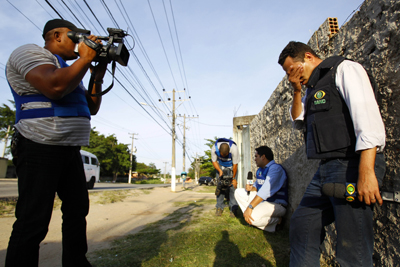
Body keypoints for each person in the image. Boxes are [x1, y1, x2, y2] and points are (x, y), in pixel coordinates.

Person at [5, 19, 108, 267]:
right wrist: (84, 60)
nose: (80, 46)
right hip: (39, 145)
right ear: (58, 35)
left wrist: (97, 75)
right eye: (76, 39)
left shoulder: (69, 69)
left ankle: (76, 263)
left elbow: (91, 107)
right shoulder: (29, 52)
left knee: (76, 211)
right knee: (34, 219)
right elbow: (55, 86)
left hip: (69, 149)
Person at [278, 41, 386, 266]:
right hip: (325, 170)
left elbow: (367, 121)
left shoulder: (345, 69)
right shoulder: (311, 89)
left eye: (291, 70)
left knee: (352, 246)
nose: (290, 77)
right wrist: (297, 90)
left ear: (307, 57)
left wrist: (366, 172)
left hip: (352, 166)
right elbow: (298, 120)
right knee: (302, 224)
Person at [234, 146, 287, 232]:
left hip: (276, 204)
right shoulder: (260, 170)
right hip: (264, 201)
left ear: (263, 157)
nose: (254, 159)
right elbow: (256, 187)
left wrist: (250, 207)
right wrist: (251, 188)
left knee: (253, 218)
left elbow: (265, 191)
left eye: (256, 156)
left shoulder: (275, 169)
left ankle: (277, 221)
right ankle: (250, 217)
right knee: (238, 192)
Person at [211, 138, 239, 217]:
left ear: (229, 151)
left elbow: (235, 164)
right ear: (219, 150)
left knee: (232, 187)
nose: (224, 157)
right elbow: (214, 161)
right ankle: (219, 207)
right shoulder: (214, 148)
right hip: (220, 166)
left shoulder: (234, 149)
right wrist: (219, 170)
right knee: (220, 186)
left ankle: (233, 208)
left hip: (232, 166)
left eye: (226, 155)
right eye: (222, 155)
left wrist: (233, 178)